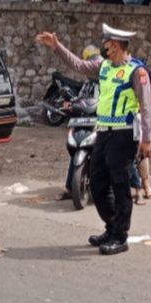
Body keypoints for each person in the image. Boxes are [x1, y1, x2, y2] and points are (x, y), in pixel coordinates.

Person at [36, 23, 151, 255]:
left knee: (120, 185)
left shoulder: (136, 72)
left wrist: (147, 139)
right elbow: (78, 65)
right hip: (103, 131)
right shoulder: (104, 67)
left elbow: (146, 107)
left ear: (117, 46)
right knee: (98, 181)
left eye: (107, 44)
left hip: (124, 133)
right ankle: (111, 227)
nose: (104, 47)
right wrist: (57, 46)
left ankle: (120, 236)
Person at [56, 45, 102, 201]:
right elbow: (79, 98)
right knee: (77, 147)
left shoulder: (106, 81)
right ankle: (70, 187)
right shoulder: (87, 83)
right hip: (85, 119)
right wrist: (70, 103)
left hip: (101, 121)